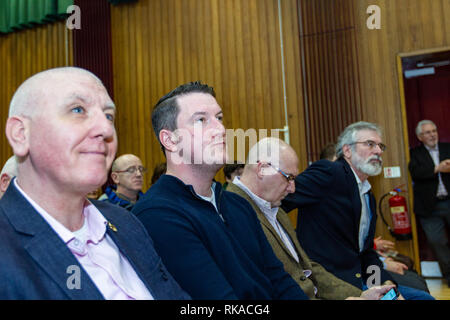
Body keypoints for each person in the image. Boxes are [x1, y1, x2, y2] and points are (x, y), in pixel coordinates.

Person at [0, 67, 189, 300]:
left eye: (109, 116)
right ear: (21, 134)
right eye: (78, 110)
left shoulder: (126, 223)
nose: (106, 129)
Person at [132, 81, 308, 300]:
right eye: (201, 120)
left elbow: (281, 283)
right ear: (170, 140)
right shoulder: (157, 215)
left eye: (220, 118)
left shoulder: (238, 205)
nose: (221, 130)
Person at [227, 137, 395, 300]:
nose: (293, 189)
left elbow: (308, 269)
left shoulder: (275, 209)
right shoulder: (232, 212)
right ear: (262, 169)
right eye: (289, 178)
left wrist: (362, 294)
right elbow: (268, 289)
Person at [282, 121, 434, 300]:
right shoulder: (330, 172)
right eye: (370, 144)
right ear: (347, 151)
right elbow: (280, 199)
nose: (378, 151)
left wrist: (383, 286)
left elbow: (366, 254)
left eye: (380, 146)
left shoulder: (368, 195)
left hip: (361, 281)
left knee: (422, 298)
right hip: (329, 284)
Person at [409, 119, 450, 287]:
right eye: (427, 132)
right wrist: (437, 168)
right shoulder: (414, 153)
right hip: (429, 208)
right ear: (420, 136)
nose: (432, 134)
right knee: (437, 242)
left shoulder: (448, 148)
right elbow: (416, 173)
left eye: (434, 130)